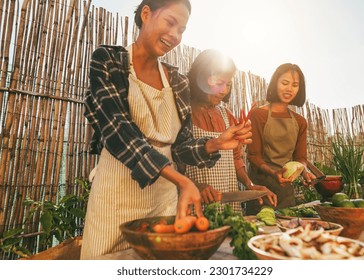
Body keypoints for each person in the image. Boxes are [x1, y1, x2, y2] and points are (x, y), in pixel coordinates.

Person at [80, 0, 252, 259]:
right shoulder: (108, 61)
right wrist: (183, 182)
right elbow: (118, 130)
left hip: (164, 202)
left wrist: (214, 144)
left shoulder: (178, 82)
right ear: (146, 13)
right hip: (115, 198)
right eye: (170, 23)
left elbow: (179, 148)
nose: (175, 35)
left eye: (181, 29)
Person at [184, 49, 277, 214]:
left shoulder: (227, 116)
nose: (224, 91)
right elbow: (173, 161)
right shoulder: (184, 113)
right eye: (219, 83)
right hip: (193, 204)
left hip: (228, 206)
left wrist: (249, 184)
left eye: (228, 84)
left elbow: (236, 159)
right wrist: (195, 185)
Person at [246, 63, 316, 213]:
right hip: (261, 189)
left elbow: (300, 157)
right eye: (285, 83)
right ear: (275, 83)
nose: (289, 89)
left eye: (295, 85)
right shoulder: (258, 115)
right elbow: (254, 156)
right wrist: (274, 173)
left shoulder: (300, 122)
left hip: (286, 191)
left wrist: (304, 172)